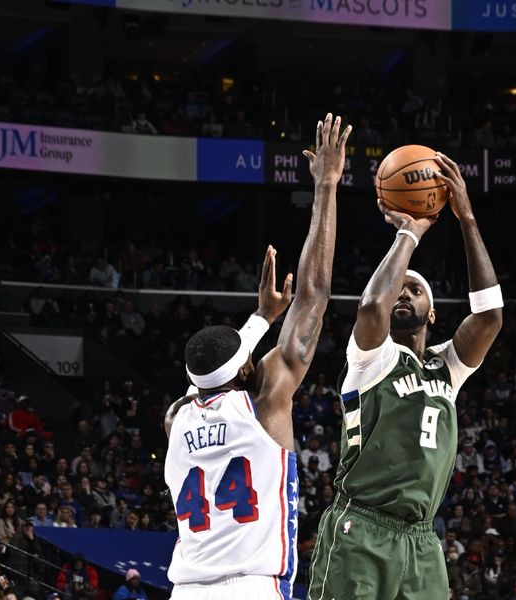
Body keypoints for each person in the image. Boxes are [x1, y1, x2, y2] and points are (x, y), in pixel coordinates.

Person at [163, 113, 350, 599]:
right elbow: (313, 294)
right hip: (252, 586)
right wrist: (326, 186)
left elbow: (205, 377)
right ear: (247, 366)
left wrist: (259, 322)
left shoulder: (175, 420)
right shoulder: (266, 403)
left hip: (185, 588)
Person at [308, 152, 503, 600]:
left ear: (432, 312)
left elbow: (490, 316)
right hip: (361, 528)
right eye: (400, 287)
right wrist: (409, 232)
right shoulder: (371, 358)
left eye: (415, 290)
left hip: (421, 540)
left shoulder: (446, 368)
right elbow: (373, 306)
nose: (403, 294)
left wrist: (467, 217)